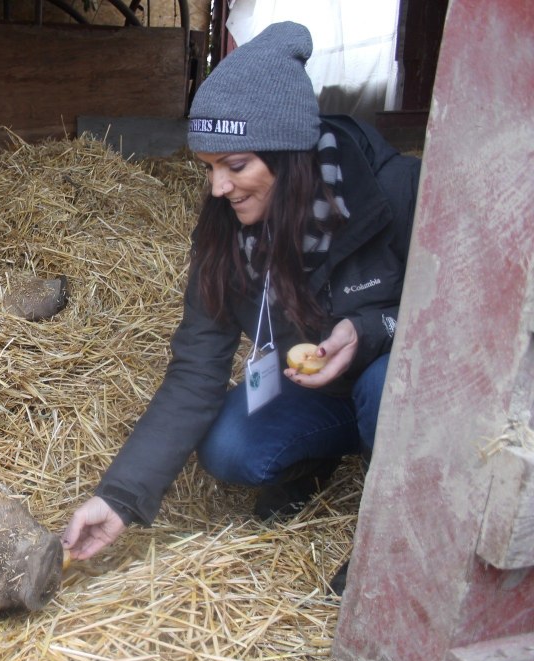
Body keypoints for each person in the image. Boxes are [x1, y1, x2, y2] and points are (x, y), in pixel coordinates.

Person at [61, 21, 421, 594]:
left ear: (289, 155)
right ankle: (324, 454)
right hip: (317, 391)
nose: (218, 189)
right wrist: (120, 498)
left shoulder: (398, 192)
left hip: (397, 381)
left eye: (235, 165)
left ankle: (393, 546)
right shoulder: (227, 232)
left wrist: (371, 328)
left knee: (385, 386)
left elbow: (458, 322)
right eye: (208, 167)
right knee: (231, 448)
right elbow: (195, 371)